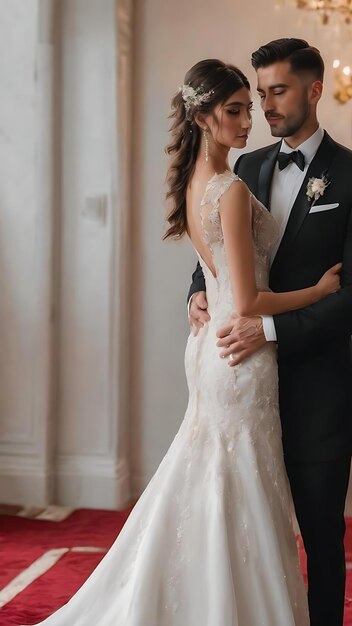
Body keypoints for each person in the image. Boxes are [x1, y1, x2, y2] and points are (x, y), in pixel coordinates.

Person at [28, 58, 342, 626]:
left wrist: (211, 293)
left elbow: (218, 265)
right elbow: (242, 296)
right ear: (202, 116)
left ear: (313, 90)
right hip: (239, 352)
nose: (253, 117)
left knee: (216, 481)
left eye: (260, 102)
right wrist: (316, 290)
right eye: (238, 108)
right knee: (237, 484)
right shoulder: (235, 182)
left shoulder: (209, 179)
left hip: (226, 354)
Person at [189, 39, 352, 626]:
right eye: (259, 94)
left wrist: (273, 328)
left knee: (320, 541)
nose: (266, 106)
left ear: (314, 91)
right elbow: (216, 247)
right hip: (242, 384)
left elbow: (351, 294)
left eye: (278, 91)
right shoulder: (247, 167)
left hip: (317, 393)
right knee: (241, 533)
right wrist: (198, 294)